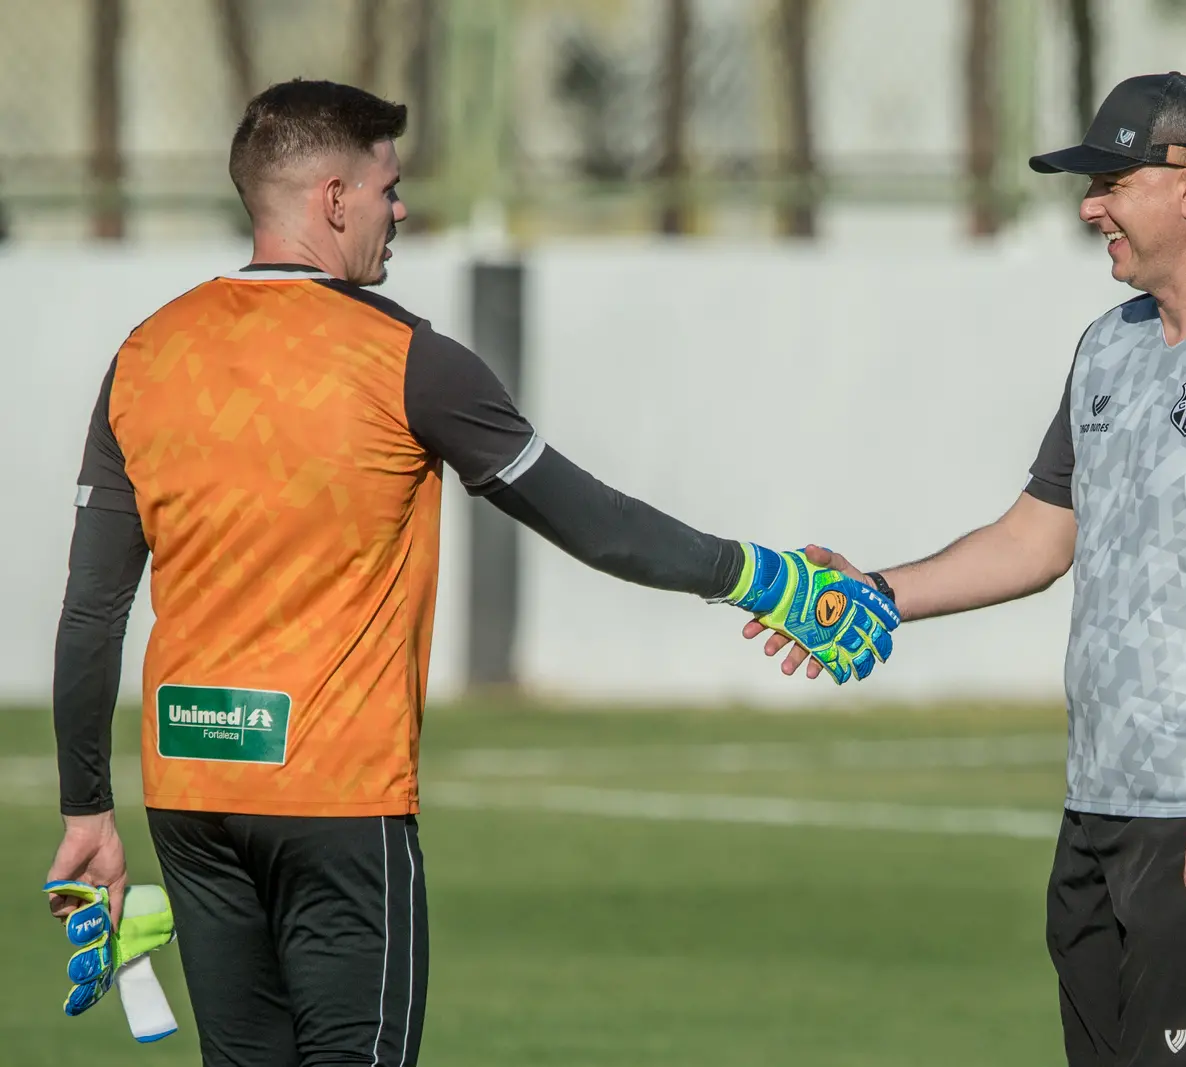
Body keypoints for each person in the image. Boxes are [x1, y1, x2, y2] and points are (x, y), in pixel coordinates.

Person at [44, 79, 897, 1066]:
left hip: (189, 795)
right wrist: (767, 579)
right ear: (332, 199)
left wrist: (87, 813)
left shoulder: (146, 355)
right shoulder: (407, 358)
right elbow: (592, 521)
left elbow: (90, 609)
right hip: (335, 803)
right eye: (387, 188)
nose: (399, 210)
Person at [750, 72, 1186, 1064]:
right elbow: (1037, 538)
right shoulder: (1106, 347)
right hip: (1097, 807)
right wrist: (872, 592)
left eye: (1111, 182)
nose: (1090, 208)